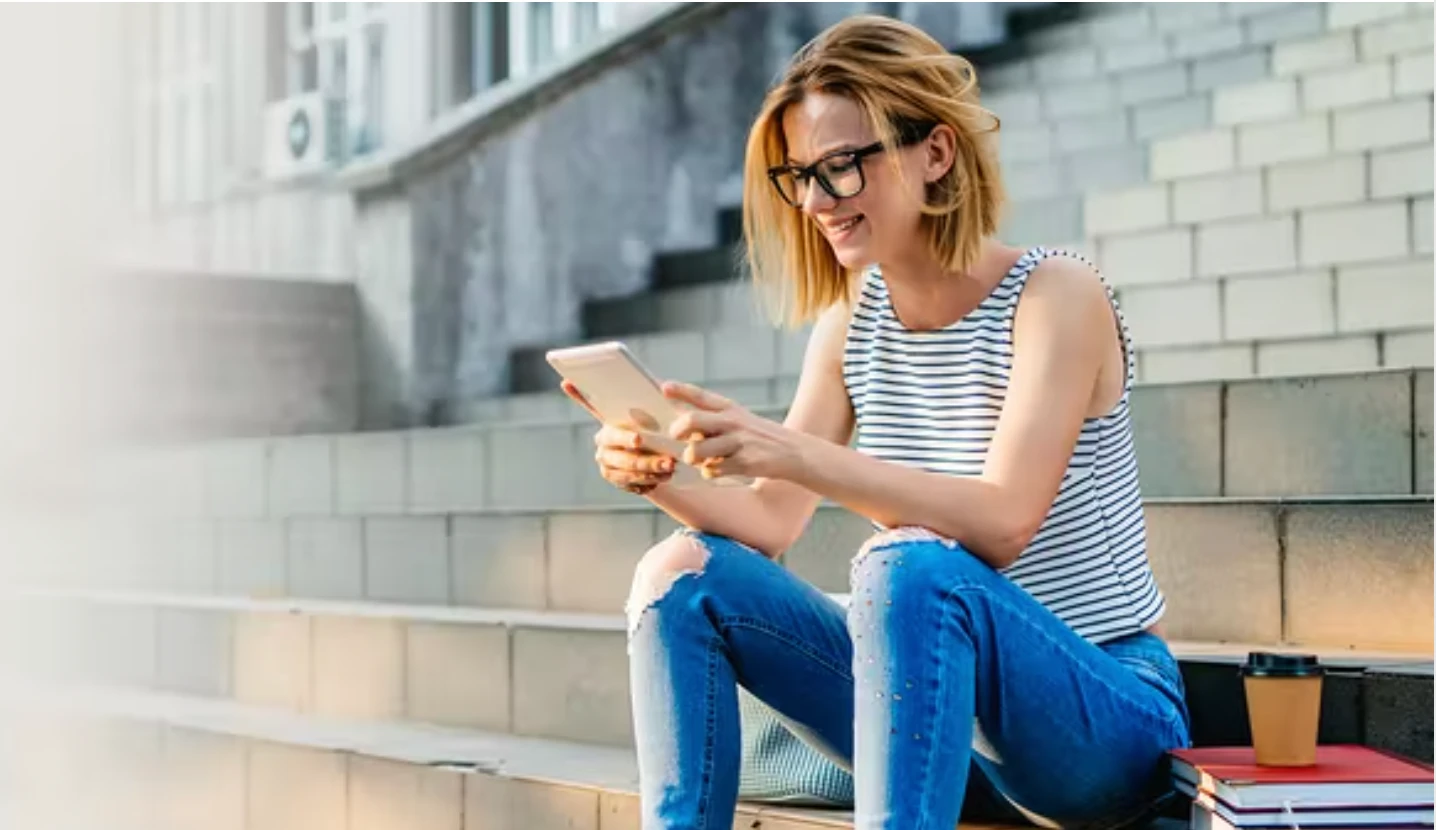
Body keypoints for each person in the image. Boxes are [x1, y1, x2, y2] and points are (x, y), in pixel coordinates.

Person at [561, 14, 1192, 830]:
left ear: (935, 153)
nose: (818, 201)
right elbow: (767, 522)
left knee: (908, 565)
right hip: (943, 725)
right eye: (802, 176)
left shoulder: (1055, 297)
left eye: (844, 167)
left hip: (1104, 723)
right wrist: (662, 472)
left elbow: (1002, 523)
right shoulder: (853, 324)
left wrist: (793, 452)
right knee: (679, 574)